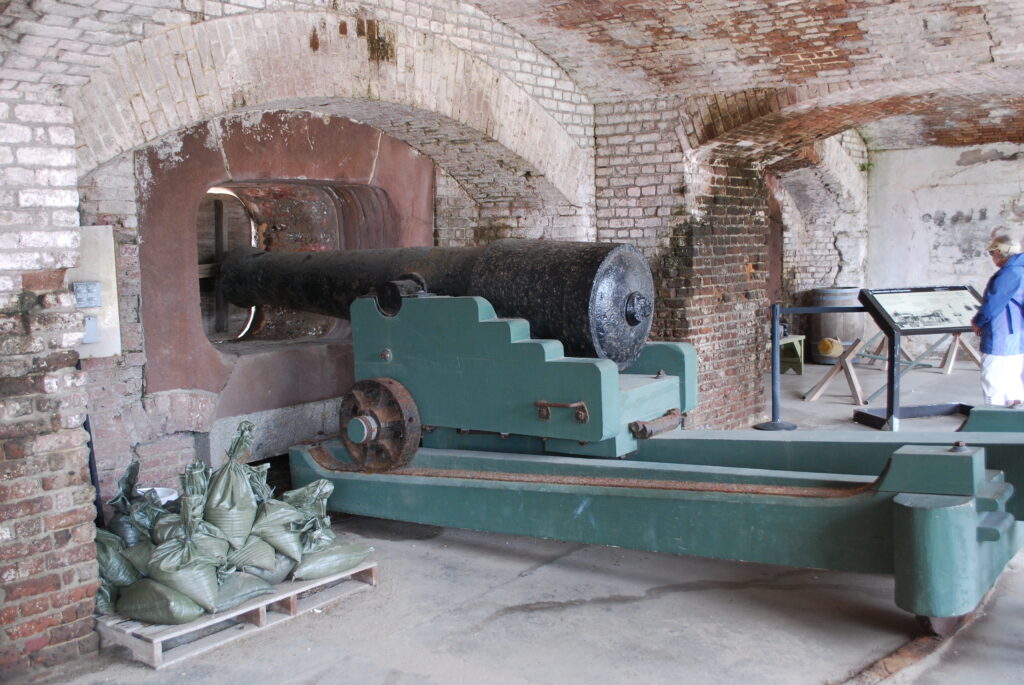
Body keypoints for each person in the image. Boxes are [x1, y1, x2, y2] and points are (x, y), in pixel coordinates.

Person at [971, 235, 1024, 406]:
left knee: (992, 378)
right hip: (1017, 333)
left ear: (1002, 253)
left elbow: (993, 304)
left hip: (1001, 333)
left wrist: (978, 321)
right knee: (1012, 378)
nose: (992, 257)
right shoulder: (1020, 270)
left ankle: (993, 419)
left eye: (993, 253)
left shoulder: (1009, 274)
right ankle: (1015, 421)